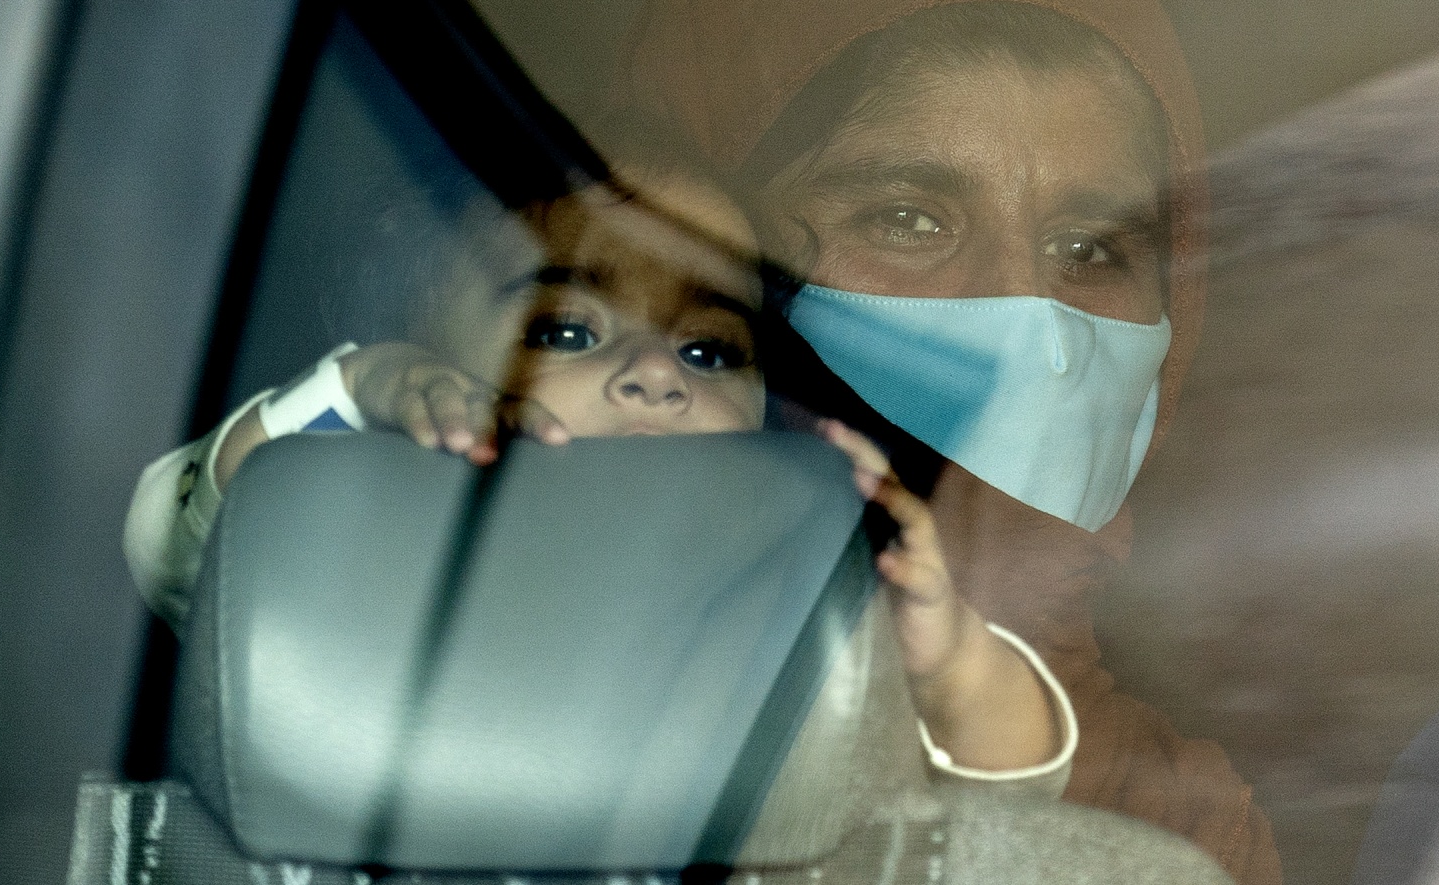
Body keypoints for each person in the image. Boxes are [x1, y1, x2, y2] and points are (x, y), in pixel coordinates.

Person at [618, 0, 1281, 885]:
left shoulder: (1177, 827)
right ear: (723, 261)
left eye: (1093, 248)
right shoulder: (534, 686)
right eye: (907, 217)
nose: (1017, 308)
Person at [124, 146, 1079, 790]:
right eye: (565, 331)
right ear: (428, 371)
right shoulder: (362, 564)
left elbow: (1012, 803)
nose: (656, 373)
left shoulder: (780, 607)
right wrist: (357, 385)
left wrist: (946, 660)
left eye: (710, 352)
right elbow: (181, 540)